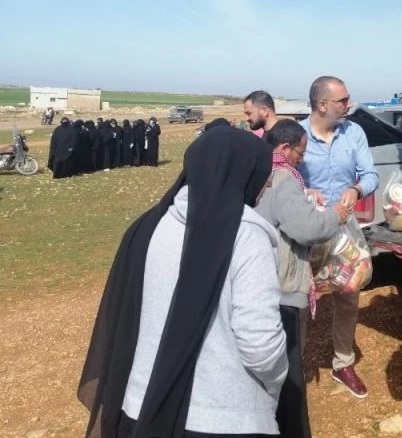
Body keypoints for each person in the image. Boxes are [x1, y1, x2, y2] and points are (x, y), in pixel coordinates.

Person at [78, 125, 288, 438]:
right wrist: (278, 378)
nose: (267, 181)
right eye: (263, 172)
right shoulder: (246, 236)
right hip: (222, 417)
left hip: (140, 406)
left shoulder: (149, 225)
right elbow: (260, 345)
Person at [257, 119, 348, 437]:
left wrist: (304, 194)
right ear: (284, 148)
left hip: (263, 280)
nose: (303, 158)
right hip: (284, 287)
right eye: (300, 151)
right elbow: (306, 229)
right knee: (288, 367)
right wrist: (335, 216)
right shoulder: (283, 178)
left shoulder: (258, 171)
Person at [298, 76, 379, 398]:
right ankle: (294, 364)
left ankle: (343, 363)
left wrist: (356, 188)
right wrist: (305, 192)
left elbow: (369, 174)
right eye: (343, 100)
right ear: (322, 105)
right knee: (300, 298)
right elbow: (277, 178)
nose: (349, 104)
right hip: (305, 231)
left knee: (349, 294)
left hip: (344, 230)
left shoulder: (354, 132)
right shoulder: (297, 137)